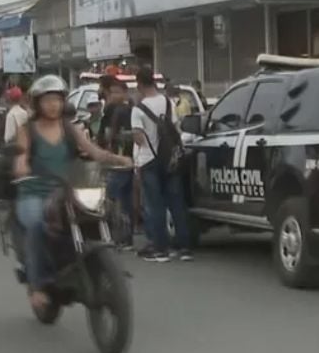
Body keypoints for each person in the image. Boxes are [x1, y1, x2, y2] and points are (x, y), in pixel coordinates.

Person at [12, 75, 132, 312]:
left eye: (57, 99)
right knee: (37, 225)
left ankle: (104, 266)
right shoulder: (27, 130)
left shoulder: (71, 129)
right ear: (37, 103)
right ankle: (37, 286)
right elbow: (21, 155)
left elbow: (94, 152)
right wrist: (22, 165)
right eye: (47, 100)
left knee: (106, 213)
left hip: (66, 191)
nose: (53, 105)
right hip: (34, 192)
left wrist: (119, 159)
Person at [133, 67, 193, 263]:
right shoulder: (168, 102)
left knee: (155, 205)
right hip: (171, 160)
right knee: (177, 203)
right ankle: (184, 248)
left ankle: (161, 249)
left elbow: (139, 138)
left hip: (149, 161)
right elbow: (176, 129)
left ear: (139, 84)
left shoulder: (138, 109)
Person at [100, 79, 137, 250]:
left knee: (114, 199)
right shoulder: (119, 109)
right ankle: (124, 237)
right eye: (112, 92)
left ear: (125, 93)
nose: (114, 95)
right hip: (125, 159)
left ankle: (119, 237)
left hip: (120, 159)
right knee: (124, 199)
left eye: (117, 92)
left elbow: (109, 134)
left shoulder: (121, 110)